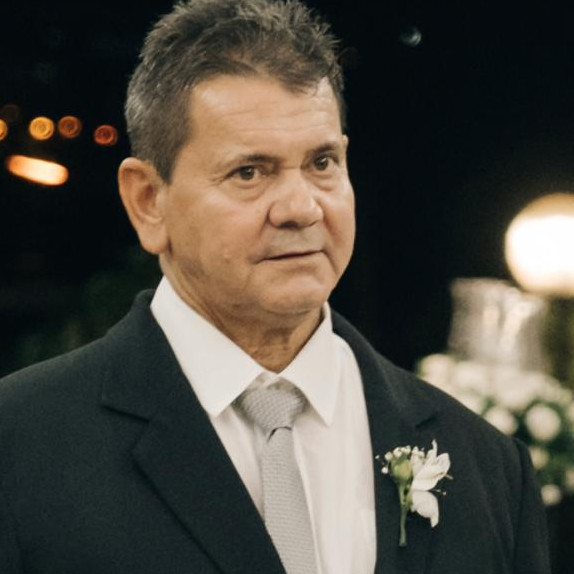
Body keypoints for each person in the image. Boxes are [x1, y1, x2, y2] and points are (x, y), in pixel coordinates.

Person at [0, 0, 550, 573]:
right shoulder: (20, 447)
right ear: (148, 201)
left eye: (322, 163)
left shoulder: (488, 466)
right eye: (250, 172)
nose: (301, 208)